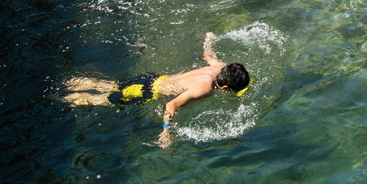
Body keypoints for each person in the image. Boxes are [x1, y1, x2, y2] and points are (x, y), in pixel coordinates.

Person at [62, 32, 249, 147]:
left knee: (114, 85)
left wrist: (209, 40)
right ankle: (66, 98)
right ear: (224, 87)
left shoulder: (219, 67)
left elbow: (208, 55)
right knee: (106, 100)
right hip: (146, 92)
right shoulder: (205, 89)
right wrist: (166, 133)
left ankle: (69, 83)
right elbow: (171, 104)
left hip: (152, 78)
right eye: (230, 90)